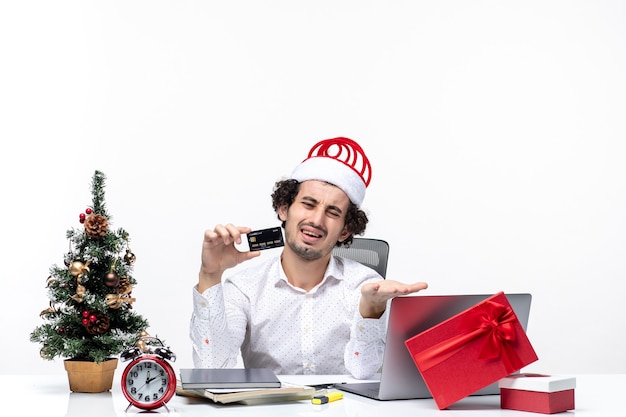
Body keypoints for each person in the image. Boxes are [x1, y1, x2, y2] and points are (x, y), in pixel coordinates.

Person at [190, 137, 428, 379]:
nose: (316, 220)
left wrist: (371, 310)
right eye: (308, 204)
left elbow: (363, 374)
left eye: (332, 212)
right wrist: (210, 275)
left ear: (345, 230)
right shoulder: (244, 288)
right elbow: (212, 372)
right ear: (284, 209)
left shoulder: (365, 286)